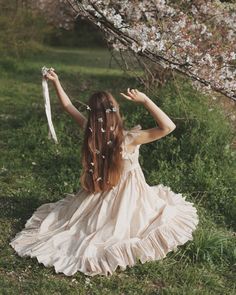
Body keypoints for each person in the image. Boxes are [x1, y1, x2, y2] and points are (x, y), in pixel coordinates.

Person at [9, 69, 199, 277]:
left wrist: (56, 82)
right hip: (130, 197)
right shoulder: (129, 139)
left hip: (99, 193)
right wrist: (145, 100)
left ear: (92, 116)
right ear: (115, 112)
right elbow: (168, 126)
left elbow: (68, 106)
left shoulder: (90, 133)